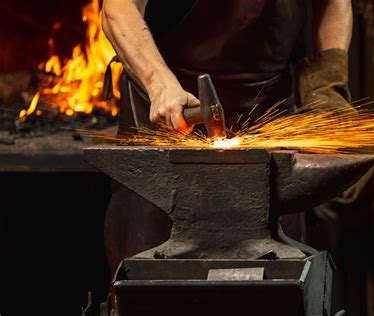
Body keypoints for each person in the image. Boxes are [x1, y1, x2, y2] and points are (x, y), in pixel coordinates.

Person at [101, 0, 353, 274]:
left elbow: (334, 4)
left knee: (277, 276)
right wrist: (159, 84)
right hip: (168, 111)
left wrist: (328, 85)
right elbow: (118, 9)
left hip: (266, 112)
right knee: (150, 278)